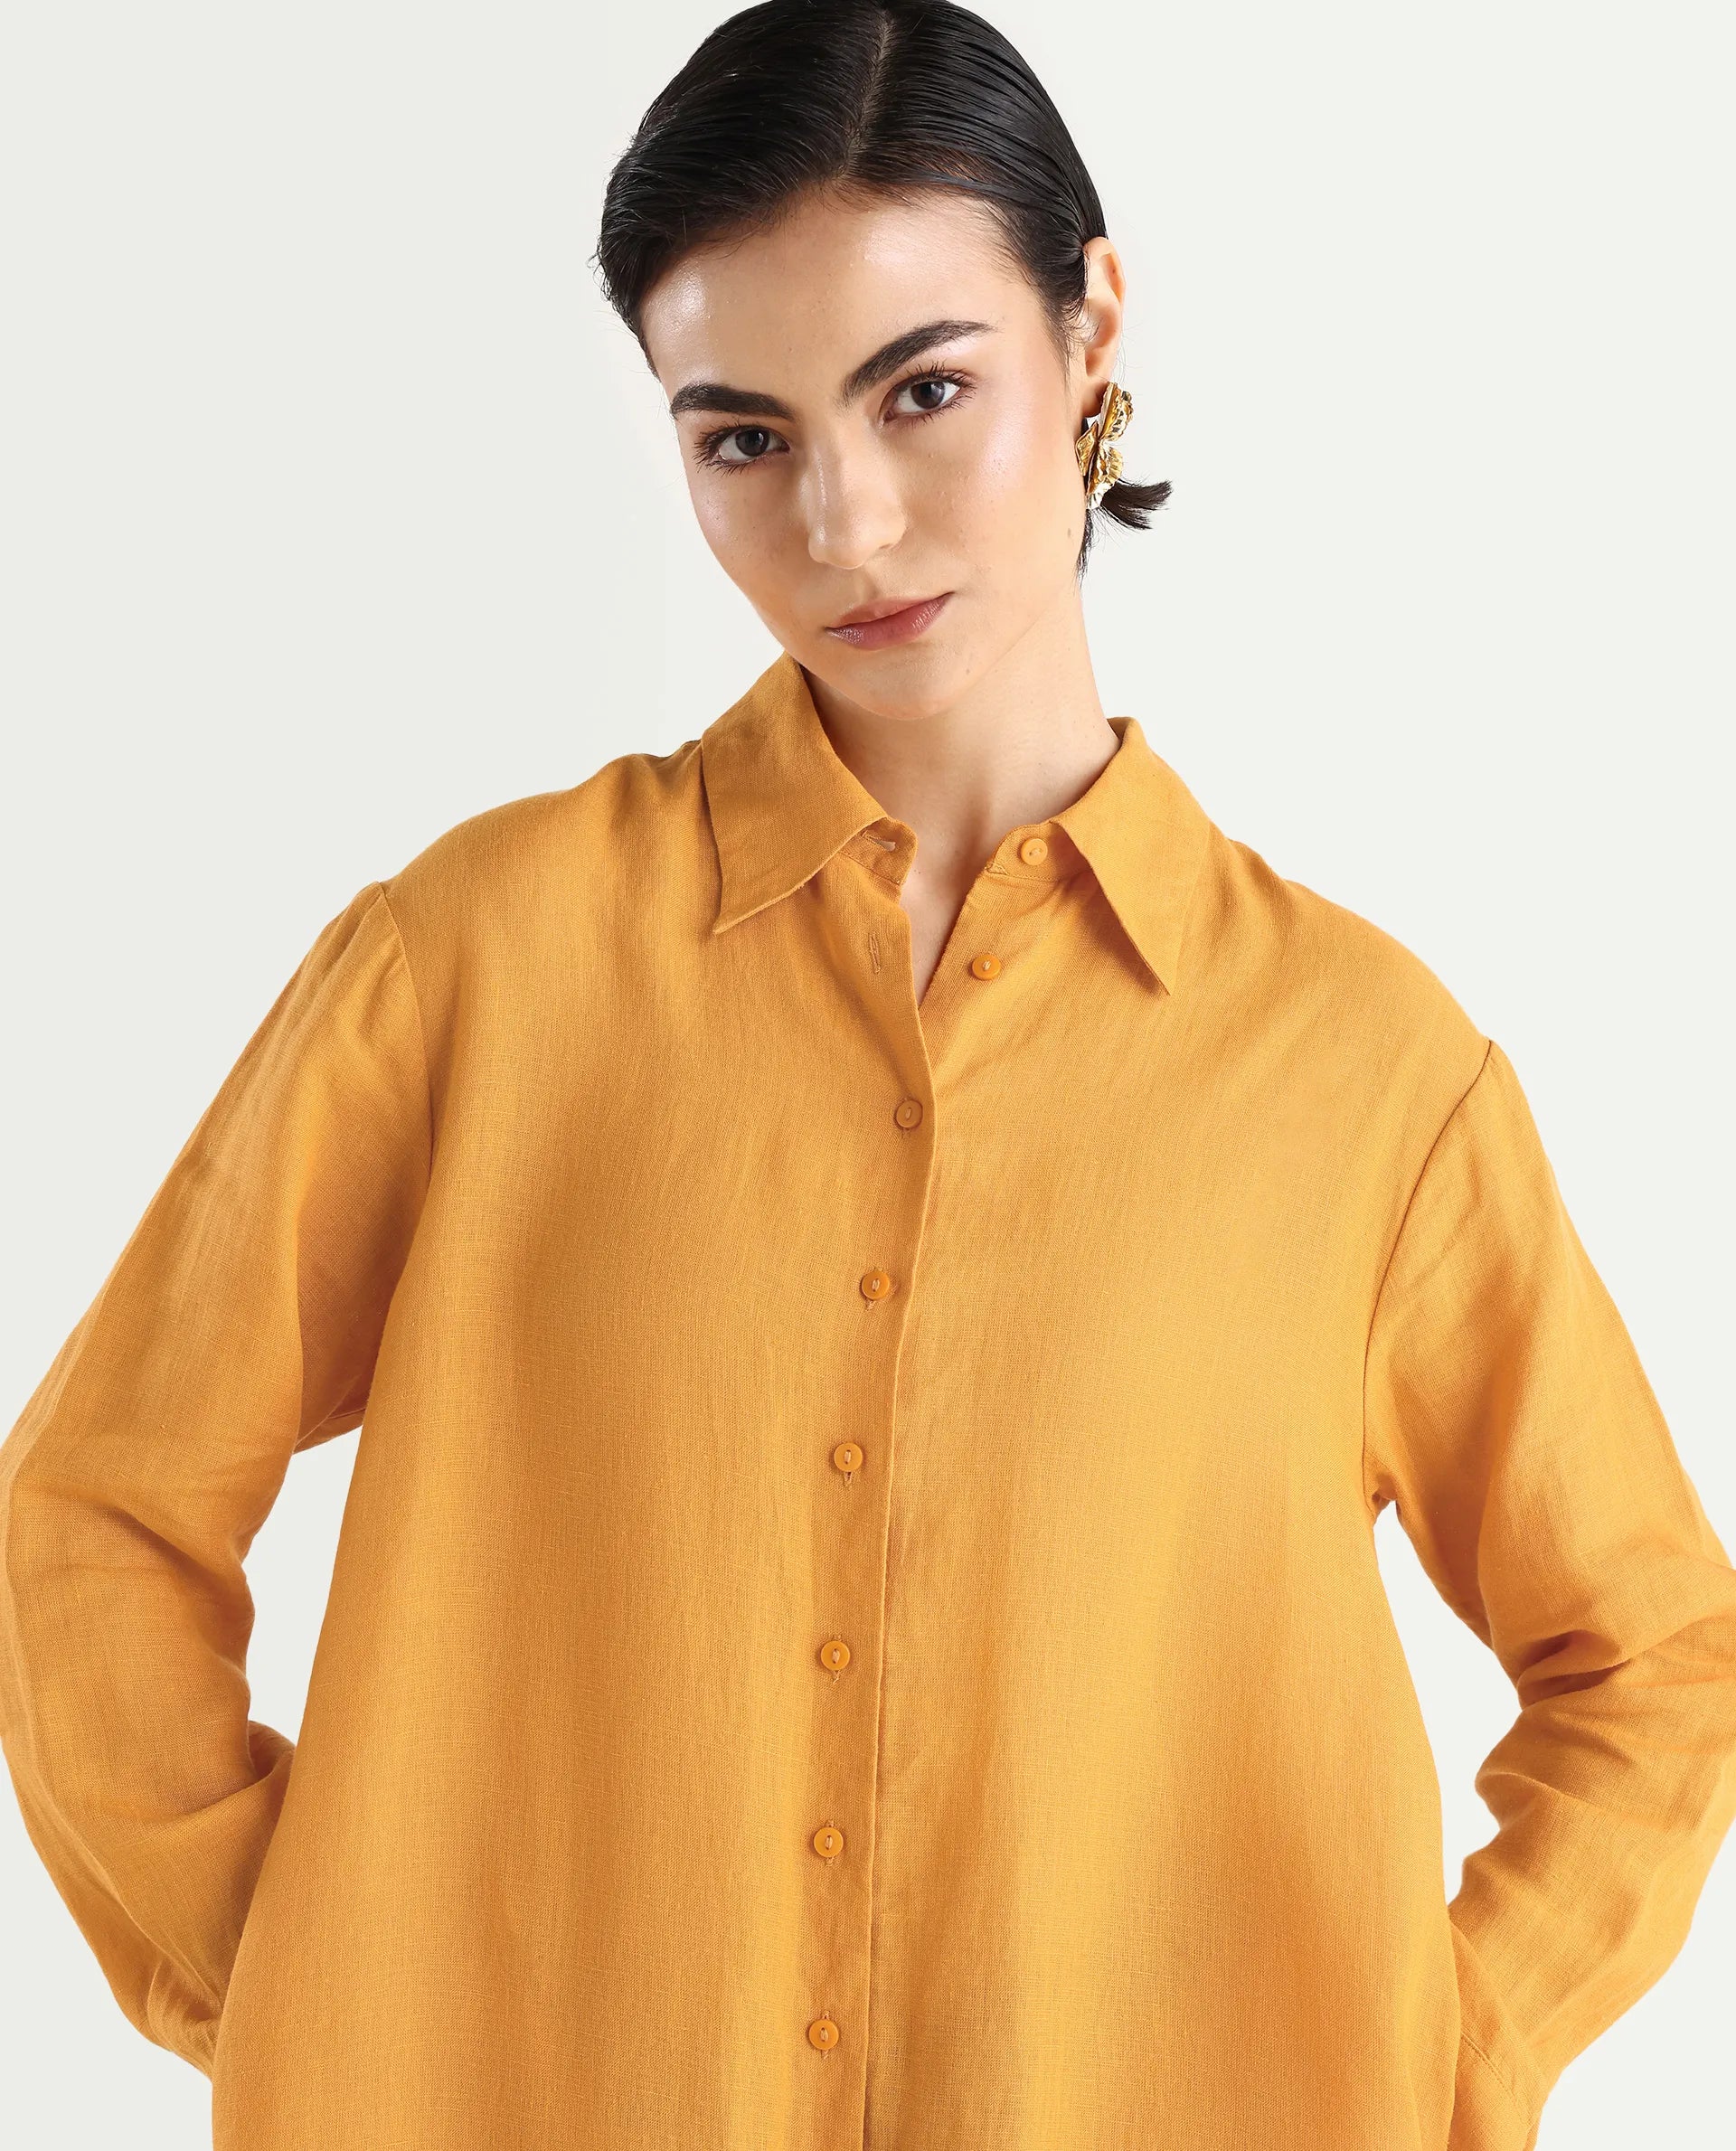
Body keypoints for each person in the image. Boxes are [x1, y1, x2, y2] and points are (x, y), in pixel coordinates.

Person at [2, 4, 1732, 2146]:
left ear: (1092, 327)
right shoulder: (470, 968)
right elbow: (97, 1507)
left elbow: (1654, 1660)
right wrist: (309, 1990)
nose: (845, 517)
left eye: (924, 390)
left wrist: (1418, 2057)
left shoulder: (1366, 1074)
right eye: (742, 436)